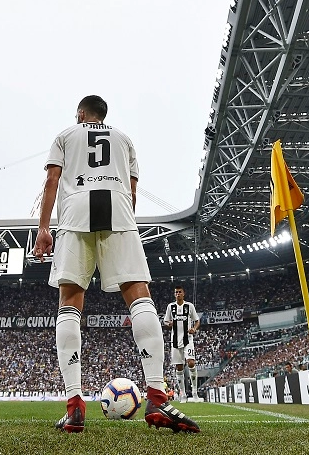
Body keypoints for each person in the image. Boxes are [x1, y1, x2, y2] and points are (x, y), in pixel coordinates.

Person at [33, 95, 199, 433]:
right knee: (139, 296)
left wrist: (44, 228)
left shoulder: (65, 135)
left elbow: (52, 181)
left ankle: (75, 404)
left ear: (81, 114)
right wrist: (124, 228)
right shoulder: (124, 140)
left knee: (69, 302)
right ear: (103, 115)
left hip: (76, 212)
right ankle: (156, 394)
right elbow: (133, 192)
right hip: (119, 212)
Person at [164, 286, 200, 402]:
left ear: (183, 293)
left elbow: (197, 320)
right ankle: (183, 395)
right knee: (179, 367)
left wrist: (194, 329)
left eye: (180, 292)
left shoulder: (189, 306)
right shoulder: (171, 307)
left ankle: (194, 393)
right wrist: (169, 324)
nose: (178, 294)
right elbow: (166, 321)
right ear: (174, 294)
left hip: (188, 339)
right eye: (176, 292)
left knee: (191, 362)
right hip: (175, 340)